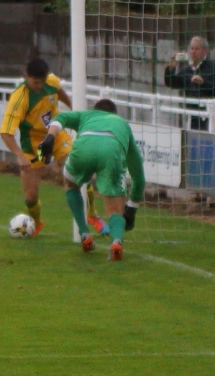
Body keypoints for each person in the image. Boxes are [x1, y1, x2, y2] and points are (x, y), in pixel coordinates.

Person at [0, 58, 107, 236]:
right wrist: (20, 156)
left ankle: (93, 215)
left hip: (55, 135)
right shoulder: (19, 99)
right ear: (26, 76)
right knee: (30, 197)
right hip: (33, 145)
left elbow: (59, 91)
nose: (39, 85)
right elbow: (5, 133)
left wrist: (75, 109)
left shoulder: (51, 81)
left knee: (77, 168)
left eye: (42, 81)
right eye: (35, 82)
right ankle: (37, 223)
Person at [36, 99, 146, 260]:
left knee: (70, 183)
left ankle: (84, 233)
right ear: (114, 114)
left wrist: (50, 137)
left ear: (95, 109)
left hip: (85, 147)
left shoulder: (86, 115)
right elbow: (139, 177)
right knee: (115, 208)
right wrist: (132, 208)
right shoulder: (123, 125)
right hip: (111, 150)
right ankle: (116, 241)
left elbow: (60, 118)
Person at [163, 36, 215, 131]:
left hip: (208, 117)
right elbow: (171, 83)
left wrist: (204, 83)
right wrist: (171, 69)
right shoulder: (187, 70)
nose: (193, 52)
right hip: (191, 116)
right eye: (192, 48)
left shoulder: (214, 67)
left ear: (205, 51)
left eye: (197, 49)